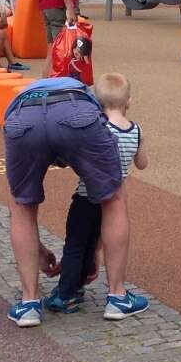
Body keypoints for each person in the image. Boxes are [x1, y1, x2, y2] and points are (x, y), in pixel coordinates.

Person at [0, 74, 137, 327]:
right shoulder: (85, 93)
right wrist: (94, 250)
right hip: (75, 109)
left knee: (21, 206)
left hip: (24, 113)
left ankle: (29, 303)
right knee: (114, 198)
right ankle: (118, 297)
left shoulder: (31, 90)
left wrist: (38, 251)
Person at [43, 73, 147, 316]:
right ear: (129, 101)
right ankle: (85, 285)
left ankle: (66, 293)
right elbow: (142, 163)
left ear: (96, 104)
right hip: (114, 199)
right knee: (93, 244)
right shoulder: (136, 131)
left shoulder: (97, 129)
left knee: (76, 244)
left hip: (86, 195)